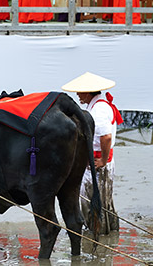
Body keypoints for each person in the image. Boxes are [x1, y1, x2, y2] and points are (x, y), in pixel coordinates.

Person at [61, 71, 122, 235]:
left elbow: (106, 137)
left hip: (98, 162)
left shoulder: (99, 109)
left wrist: (102, 160)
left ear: (88, 92)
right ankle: (110, 232)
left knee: (91, 202)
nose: (78, 95)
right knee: (105, 201)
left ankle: (97, 235)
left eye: (80, 92)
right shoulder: (98, 105)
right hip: (101, 160)